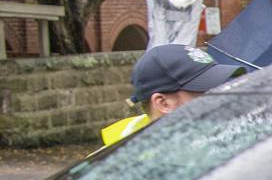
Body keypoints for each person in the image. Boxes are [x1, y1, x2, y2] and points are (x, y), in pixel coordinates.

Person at [99, 44, 244, 146]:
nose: (219, 99)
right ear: (163, 103)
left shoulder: (215, 140)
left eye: (220, 88)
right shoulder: (123, 169)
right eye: (205, 92)